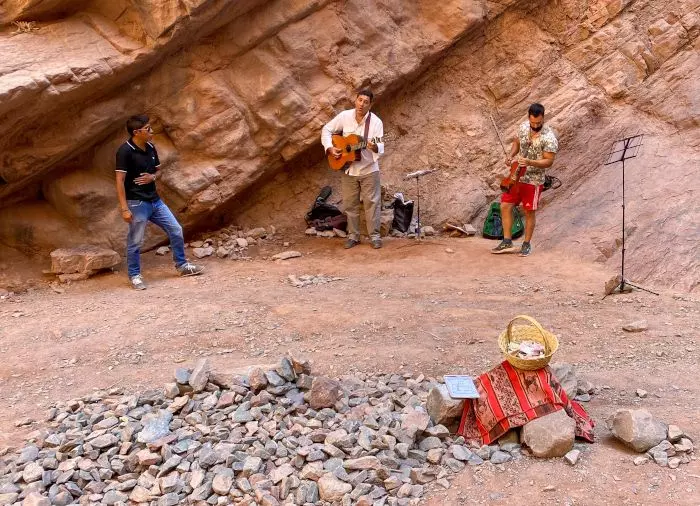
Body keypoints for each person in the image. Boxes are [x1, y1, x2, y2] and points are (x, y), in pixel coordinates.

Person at [115, 114, 203, 289]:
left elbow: (158, 171)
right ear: (136, 132)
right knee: (136, 240)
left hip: (155, 201)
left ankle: (182, 265)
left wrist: (153, 177)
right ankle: (135, 275)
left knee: (176, 229)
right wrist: (124, 208)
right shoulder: (125, 151)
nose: (152, 131)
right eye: (148, 129)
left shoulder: (150, 147)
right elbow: (119, 180)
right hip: (137, 203)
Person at [492, 103, 558, 257]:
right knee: (505, 205)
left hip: (534, 179)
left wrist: (530, 162)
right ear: (529, 117)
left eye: (538, 123)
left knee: (529, 211)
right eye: (532, 122)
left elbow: (549, 161)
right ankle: (507, 241)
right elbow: (517, 142)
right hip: (516, 175)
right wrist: (511, 155)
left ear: (543, 118)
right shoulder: (523, 127)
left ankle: (526, 244)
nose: (535, 126)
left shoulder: (549, 137)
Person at [321, 89, 385, 249]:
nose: (361, 104)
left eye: (365, 102)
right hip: (349, 169)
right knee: (350, 205)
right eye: (359, 100)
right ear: (355, 100)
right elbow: (326, 130)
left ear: (370, 105)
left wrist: (373, 146)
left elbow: (380, 145)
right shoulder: (345, 116)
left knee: (372, 203)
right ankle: (353, 236)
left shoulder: (376, 122)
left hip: (369, 169)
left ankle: (375, 237)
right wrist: (330, 148)